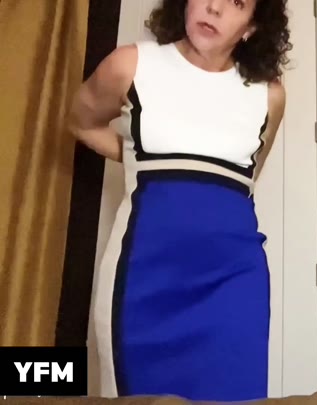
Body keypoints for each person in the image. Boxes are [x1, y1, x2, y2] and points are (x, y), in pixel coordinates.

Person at [67, 0, 291, 401]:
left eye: (237, 2)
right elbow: (81, 123)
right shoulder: (130, 64)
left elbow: (246, 179)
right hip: (143, 276)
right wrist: (135, 156)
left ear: (252, 27)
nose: (214, 8)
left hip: (233, 282)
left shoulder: (270, 95)